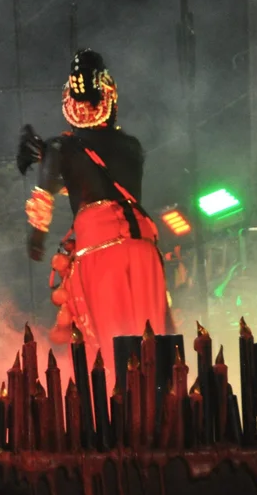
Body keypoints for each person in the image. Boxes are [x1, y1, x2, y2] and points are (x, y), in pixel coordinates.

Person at [18, 49, 170, 376]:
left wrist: (36, 240)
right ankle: (159, 414)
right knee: (151, 342)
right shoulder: (133, 147)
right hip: (144, 251)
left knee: (110, 347)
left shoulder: (61, 148)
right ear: (110, 97)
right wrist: (50, 157)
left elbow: (46, 203)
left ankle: (119, 419)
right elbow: (95, 176)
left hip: (102, 254)